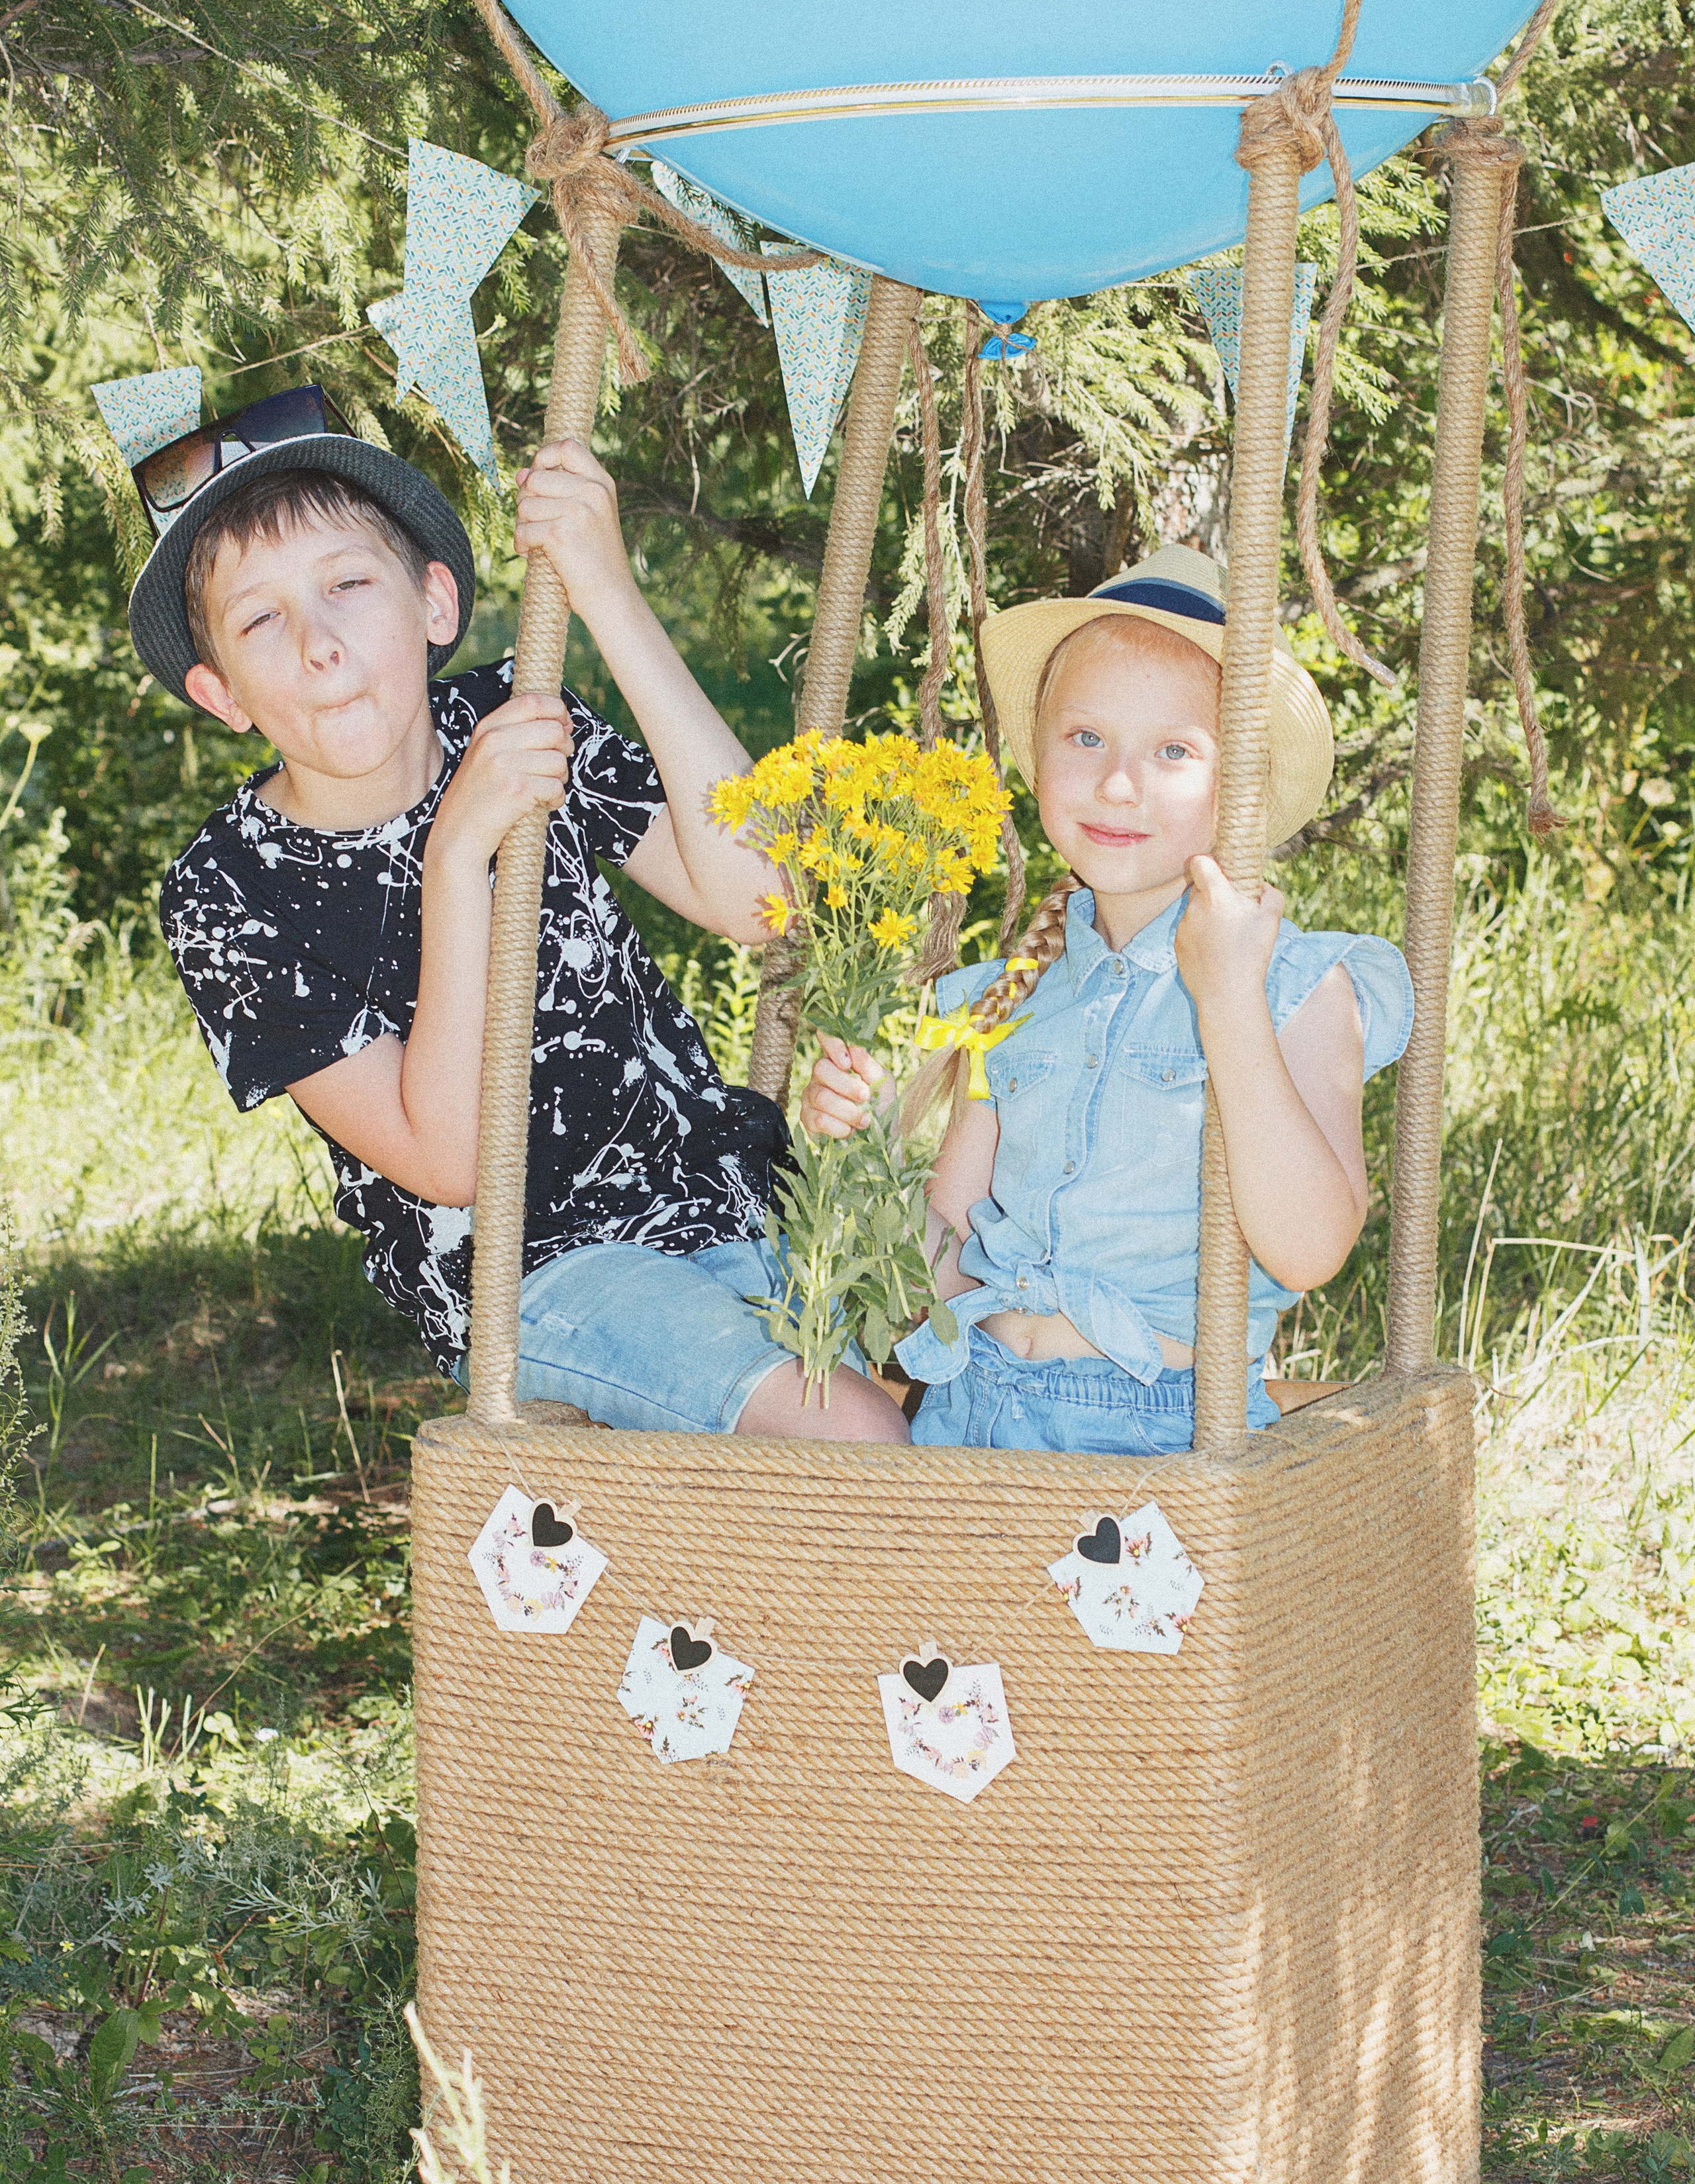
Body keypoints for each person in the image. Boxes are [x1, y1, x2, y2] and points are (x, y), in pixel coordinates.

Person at [124, 382, 907, 1444]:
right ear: (223, 695)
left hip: (730, 1197)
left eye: (349, 583)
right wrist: (460, 851)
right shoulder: (229, 891)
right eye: (263, 618)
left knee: (965, 1387)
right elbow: (445, 1158)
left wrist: (608, 594)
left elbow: (767, 902)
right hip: (537, 1277)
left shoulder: (512, 712)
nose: (319, 643)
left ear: (435, 605)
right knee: (851, 1430)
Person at [800, 544, 1412, 1455]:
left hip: (1161, 1428)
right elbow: (947, 1276)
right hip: (975, 1410)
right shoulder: (1008, 995)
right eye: (1086, 738)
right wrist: (870, 1150)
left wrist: (1229, 1002)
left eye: (1174, 750)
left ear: (1240, 781)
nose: (1119, 782)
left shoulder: (1300, 985)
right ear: (1038, 757)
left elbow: (1311, 1247)